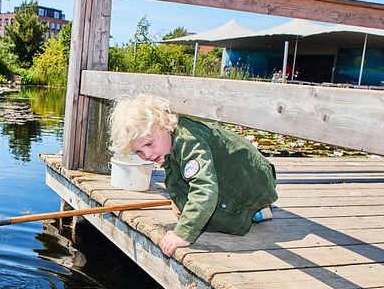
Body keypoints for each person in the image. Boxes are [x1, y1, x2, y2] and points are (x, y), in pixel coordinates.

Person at [108, 94, 278, 257]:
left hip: (253, 182)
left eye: (149, 144)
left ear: (165, 123)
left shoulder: (188, 141)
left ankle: (255, 210)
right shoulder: (169, 142)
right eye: (138, 151)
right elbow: (176, 180)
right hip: (238, 177)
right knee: (187, 201)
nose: (147, 155)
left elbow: (204, 189)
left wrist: (182, 234)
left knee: (214, 211)